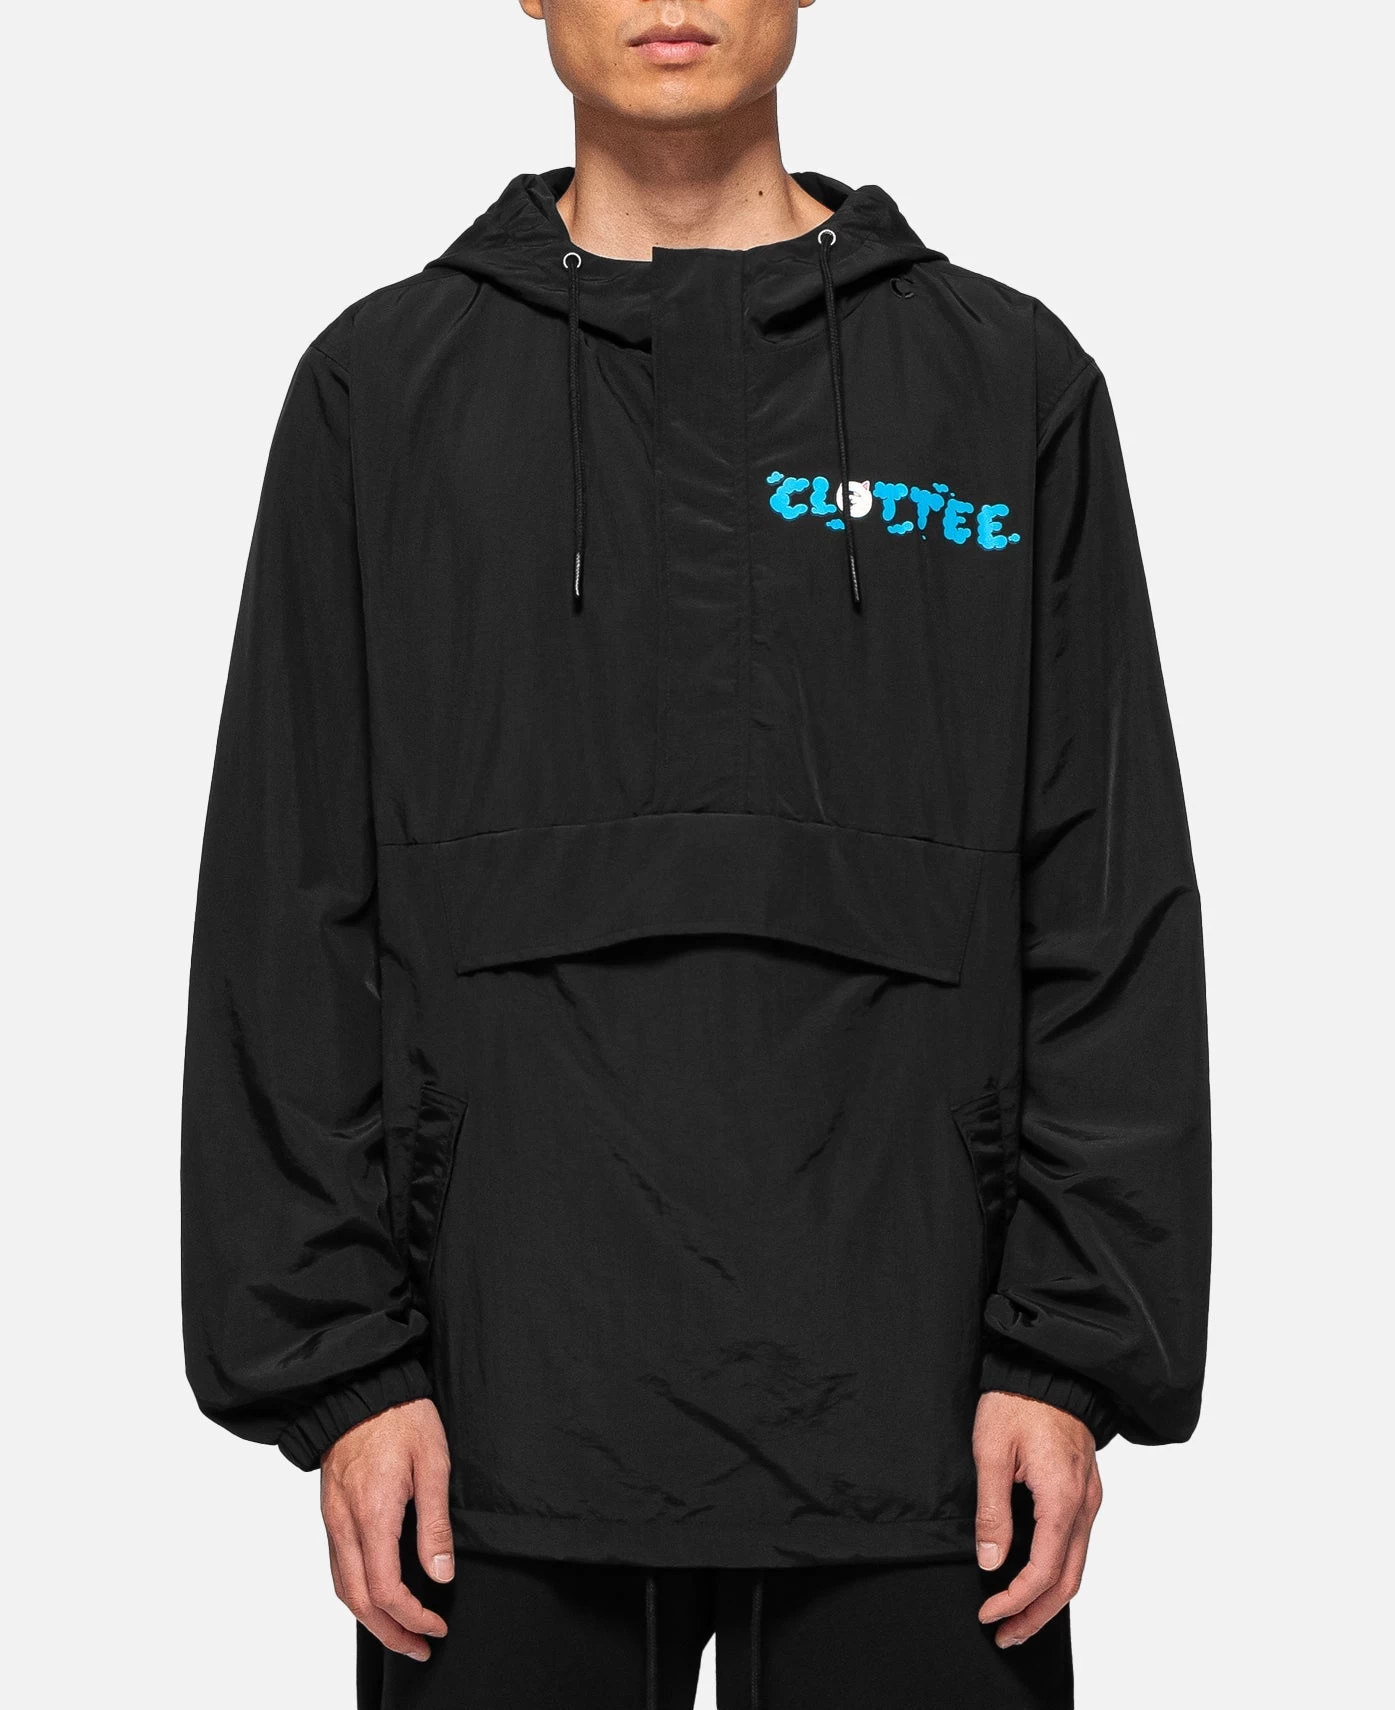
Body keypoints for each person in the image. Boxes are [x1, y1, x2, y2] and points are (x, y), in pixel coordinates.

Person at [181, 2, 1211, 1705]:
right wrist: (343, 1366)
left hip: (923, 1405)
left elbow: (1103, 888)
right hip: (494, 1406)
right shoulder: (381, 388)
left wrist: (1068, 1350)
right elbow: (285, 906)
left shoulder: (1002, 381)